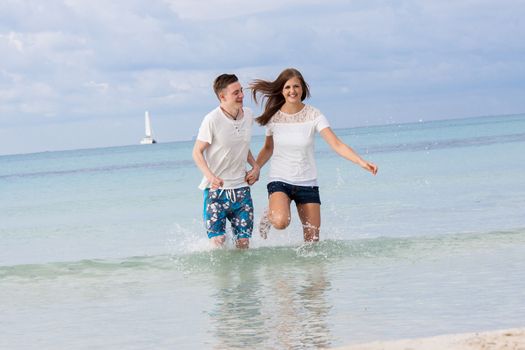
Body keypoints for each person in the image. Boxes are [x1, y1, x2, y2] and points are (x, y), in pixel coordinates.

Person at [251, 68, 378, 242]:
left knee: (312, 241)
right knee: (281, 221)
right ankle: (270, 213)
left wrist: (361, 162)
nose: (292, 91)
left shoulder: (314, 115)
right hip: (280, 180)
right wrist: (256, 168)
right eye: (287, 87)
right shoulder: (274, 117)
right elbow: (267, 149)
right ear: (281, 90)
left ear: (303, 89)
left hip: (307, 182)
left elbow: (336, 144)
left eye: (296, 86)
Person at [193, 74, 260, 249]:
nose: (241, 95)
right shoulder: (212, 119)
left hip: (241, 190)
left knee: (244, 243)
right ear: (222, 97)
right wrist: (211, 176)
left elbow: (242, 145)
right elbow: (197, 152)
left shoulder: (248, 115)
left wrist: (255, 166)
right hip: (217, 192)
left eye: (241, 91)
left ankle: (246, 277)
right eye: (236, 93)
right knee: (218, 242)